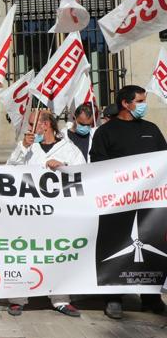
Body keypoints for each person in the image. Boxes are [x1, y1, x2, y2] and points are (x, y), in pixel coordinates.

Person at [90, 85, 167, 319]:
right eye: (140, 101)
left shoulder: (151, 129)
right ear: (126, 103)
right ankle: (113, 298)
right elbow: (98, 166)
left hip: (150, 205)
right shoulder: (105, 132)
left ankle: (151, 298)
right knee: (116, 248)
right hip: (117, 203)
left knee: (152, 249)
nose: (144, 105)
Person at [6, 110, 84, 317]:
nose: (30, 129)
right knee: (24, 253)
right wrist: (23, 147)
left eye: (33, 124)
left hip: (58, 214)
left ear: (47, 124)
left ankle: (60, 299)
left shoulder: (68, 148)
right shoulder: (27, 147)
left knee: (58, 254)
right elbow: (8, 171)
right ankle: (18, 298)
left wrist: (63, 167)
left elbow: (84, 173)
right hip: (29, 212)